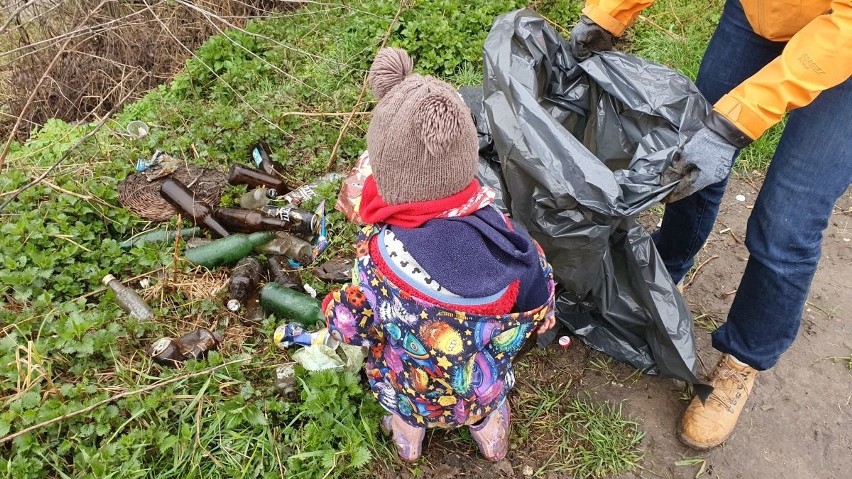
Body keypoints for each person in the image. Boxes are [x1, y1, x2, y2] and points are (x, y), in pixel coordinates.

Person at [570, 0, 852, 450]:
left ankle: (743, 360)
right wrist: (607, 14)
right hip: (761, 11)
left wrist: (737, 121)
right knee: (692, 159)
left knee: (786, 222)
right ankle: (667, 270)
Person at [323, 47, 557, 462]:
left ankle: (408, 442)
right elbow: (539, 297)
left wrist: (336, 310)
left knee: (405, 411)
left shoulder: (376, 257)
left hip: (411, 387)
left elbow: (358, 324)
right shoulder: (510, 243)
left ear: (386, 173)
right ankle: (490, 437)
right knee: (482, 409)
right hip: (476, 386)